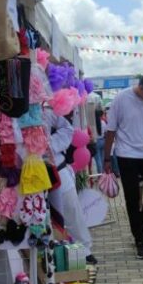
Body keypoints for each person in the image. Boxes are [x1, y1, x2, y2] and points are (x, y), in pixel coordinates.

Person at [103, 74, 143, 260]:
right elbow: (111, 130)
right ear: (141, 87)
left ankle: (139, 229)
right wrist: (107, 159)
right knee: (131, 199)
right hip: (126, 154)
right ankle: (140, 241)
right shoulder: (121, 98)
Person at [45, 107, 97, 264]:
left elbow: (67, 128)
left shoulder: (46, 113)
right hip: (28, 172)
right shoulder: (11, 116)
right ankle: (49, 254)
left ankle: (85, 249)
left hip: (57, 168)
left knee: (72, 209)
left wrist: (50, 144)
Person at [94, 104, 105, 174]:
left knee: (98, 159)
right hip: (103, 140)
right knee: (101, 158)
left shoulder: (94, 124)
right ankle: (103, 172)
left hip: (97, 141)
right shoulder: (103, 122)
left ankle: (100, 173)